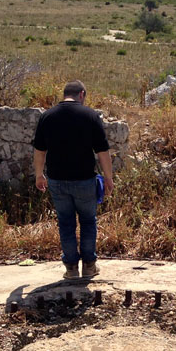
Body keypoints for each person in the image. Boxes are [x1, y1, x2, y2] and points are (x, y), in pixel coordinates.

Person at [32, 80, 114, 280]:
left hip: (57, 181)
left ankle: (70, 269)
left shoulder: (47, 117)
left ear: (64, 94)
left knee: (66, 223)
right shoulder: (91, 116)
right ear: (82, 94)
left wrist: (39, 175)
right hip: (85, 180)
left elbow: (39, 150)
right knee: (88, 221)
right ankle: (89, 266)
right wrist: (108, 177)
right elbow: (102, 151)